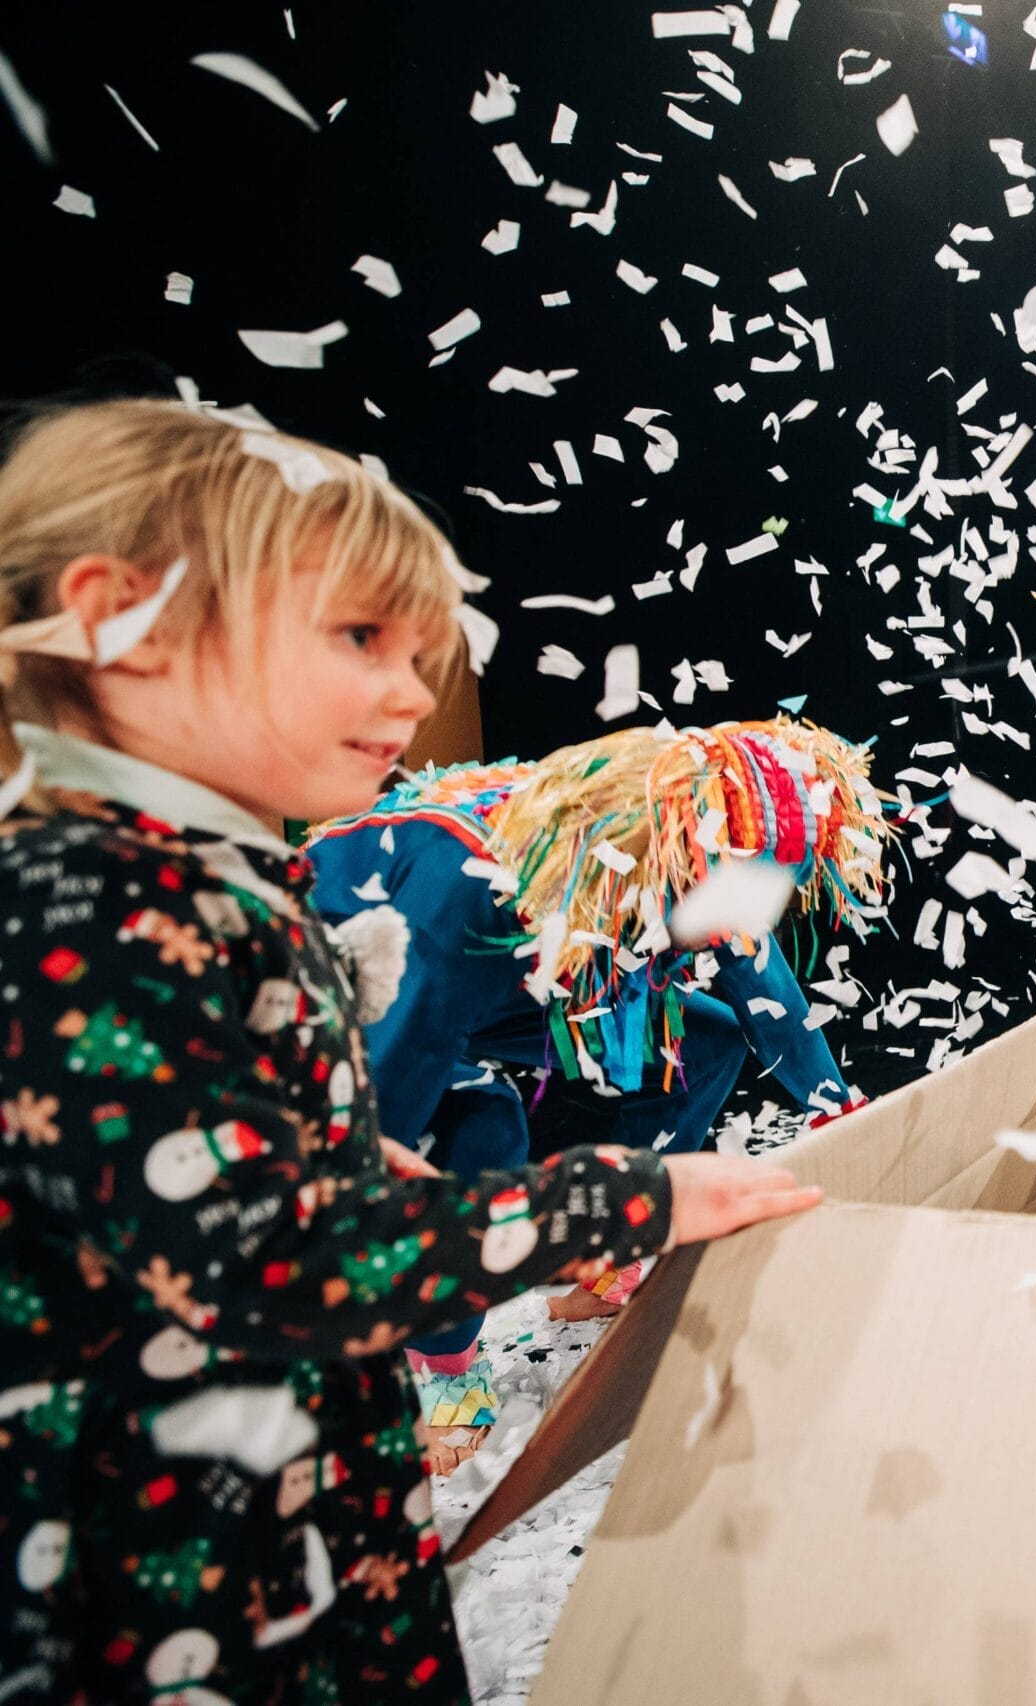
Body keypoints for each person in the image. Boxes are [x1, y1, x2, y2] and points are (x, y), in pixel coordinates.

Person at [0, 398, 820, 1703]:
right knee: (486, 1129)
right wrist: (616, 1199)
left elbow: (236, 1149)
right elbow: (271, 1249)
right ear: (119, 624)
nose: (414, 687)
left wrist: (814, 1100)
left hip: (304, 1517)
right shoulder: (90, 912)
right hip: (176, 1580)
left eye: (422, 645)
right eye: (359, 636)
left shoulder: (205, 879)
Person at [303, 718, 890, 1468]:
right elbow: (379, 1133)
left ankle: (614, 1251)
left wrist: (840, 1114)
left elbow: (764, 986)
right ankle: (445, 1381)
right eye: (742, 890)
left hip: (514, 973)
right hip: (352, 984)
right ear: (665, 860)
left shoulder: (701, 851)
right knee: (483, 1124)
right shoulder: (471, 888)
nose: (750, 915)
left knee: (703, 1041)